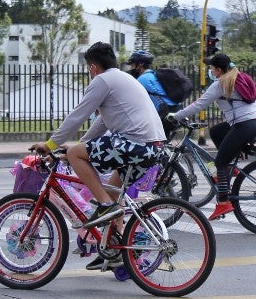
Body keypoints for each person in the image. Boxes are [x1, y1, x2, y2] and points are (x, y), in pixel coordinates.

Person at [29, 42, 166, 269]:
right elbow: (102, 122)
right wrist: (77, 148)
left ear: (92, 67)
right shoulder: (122, 79)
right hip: (152, 147)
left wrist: (52, 144)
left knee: (103, 195)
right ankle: (115, 250)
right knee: (113, 193)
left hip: (135, 144)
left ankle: (104, 205)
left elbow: (77, 116)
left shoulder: (102, 81)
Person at [170, 52, 256, 221]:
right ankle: (230, 168)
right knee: (216, 131)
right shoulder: (240, 77)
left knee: (219, 162)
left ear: (220, 70)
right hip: (255, 123)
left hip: (244, 126)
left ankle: (223, 202)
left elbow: (198, 104)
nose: (211, 71)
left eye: (213, 68)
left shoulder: (221, 84)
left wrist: (175, 116)